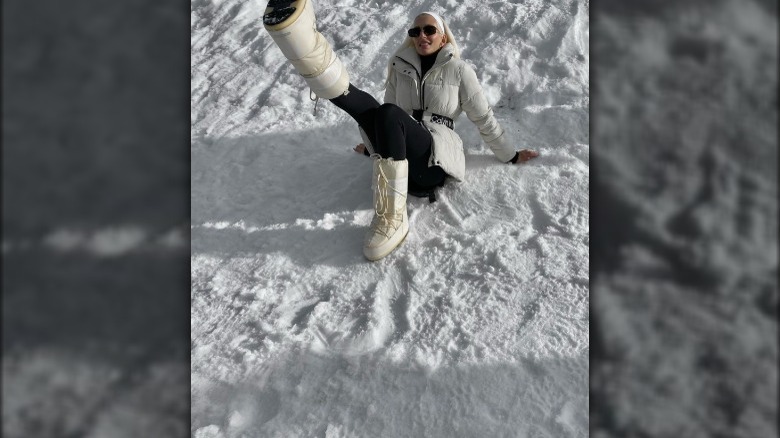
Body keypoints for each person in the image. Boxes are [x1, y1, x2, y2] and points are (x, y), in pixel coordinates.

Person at [263, 0, 539, 261]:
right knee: (365, 106)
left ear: (443, 37)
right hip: (404, 153)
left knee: (387, 111)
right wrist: (373, 146)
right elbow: (386, 120)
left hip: (433, 160)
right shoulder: (400, 68)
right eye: (415, 31)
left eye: (430, 30)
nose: (422, 35)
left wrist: (510, 155)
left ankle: (393, 218)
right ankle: (300, 42)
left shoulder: (459, 70)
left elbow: (483, 117)